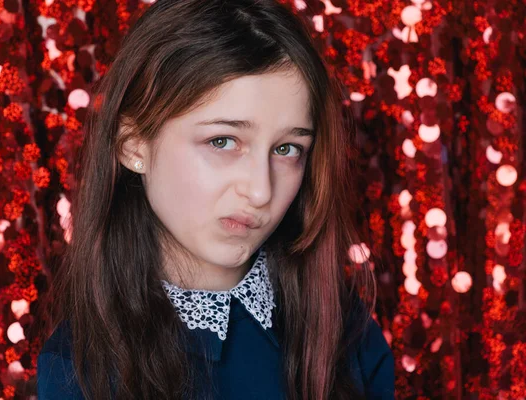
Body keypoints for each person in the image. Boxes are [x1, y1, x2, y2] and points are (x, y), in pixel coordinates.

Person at [36, 0, 395, 398]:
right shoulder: (78, 371)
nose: (261, 191)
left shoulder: (344, 331)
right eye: (222, 141)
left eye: (288, 149)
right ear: (132, 144)